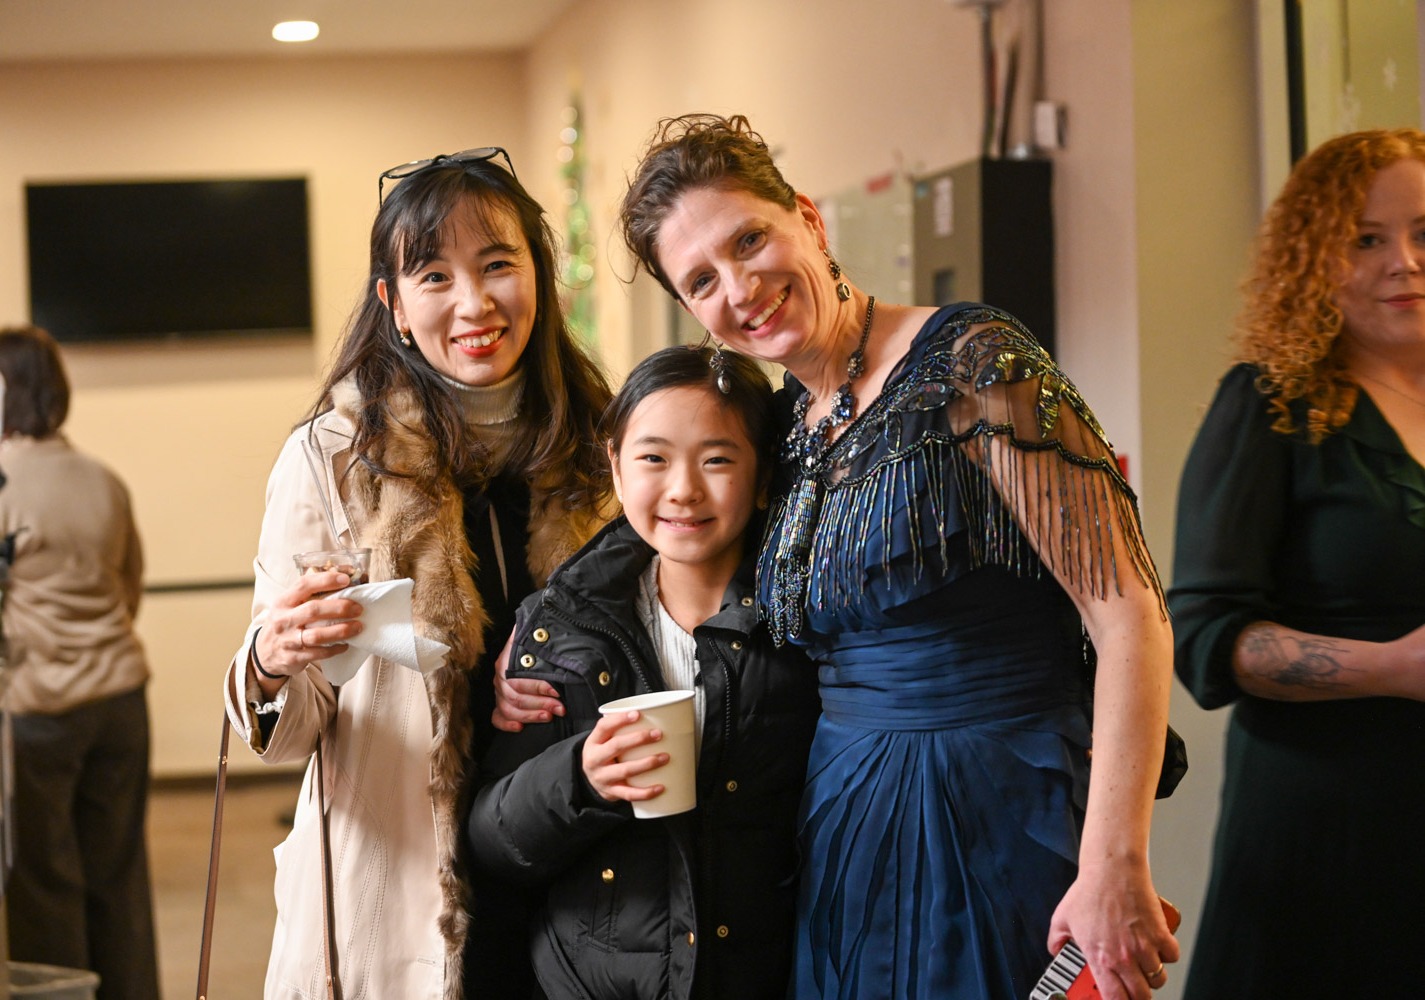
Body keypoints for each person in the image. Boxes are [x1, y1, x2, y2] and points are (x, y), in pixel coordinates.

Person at [598, 114, 1179, 1000]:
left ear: (807, 217)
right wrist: (544, 633)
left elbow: (1129, 611)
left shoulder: (976, 364)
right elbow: (667, 524)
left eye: (750, 240)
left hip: (997, 805)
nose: (741, 288)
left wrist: (1114, 860)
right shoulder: (784, 430)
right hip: (843, 825)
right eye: (702, 280)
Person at [220, 147, 612, 999]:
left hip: (581, 883)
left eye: (497, 264)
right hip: (402, 895)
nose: (474, 303)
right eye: (434, 276)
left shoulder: (604, 446)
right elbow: (291, 730)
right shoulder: (333, 458)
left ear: (538, 277)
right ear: (394, 305)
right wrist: (273, 662)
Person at [468, 346, 820, 1000]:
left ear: (763, 475)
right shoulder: (558, 629)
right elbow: (493, 844)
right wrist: (580, 777)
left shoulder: (806, 623)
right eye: (654, 458)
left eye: (717, 460)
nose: (683, 489)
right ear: (616, 466)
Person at [1169, 128, 1425, 997]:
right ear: (1314, 259)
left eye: (1424, 233)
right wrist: (1394, 668)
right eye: (1367, 238)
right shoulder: (1271, 404)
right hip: (1327, 834)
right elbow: (1204, 639)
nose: (1404, 262)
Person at [0, 325, 160, 1000]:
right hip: (121, 701)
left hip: (39, 711)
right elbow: (129, 586)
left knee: (46, 887)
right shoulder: (104, 479)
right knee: (119, 879)